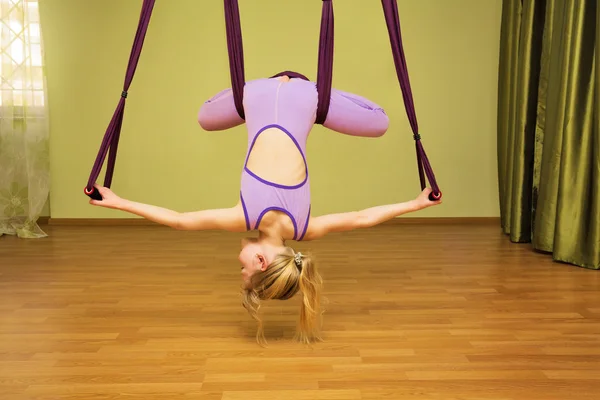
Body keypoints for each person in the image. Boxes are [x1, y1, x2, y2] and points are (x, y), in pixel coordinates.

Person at [89, 73, 442, 345]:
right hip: (254, 93)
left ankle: (313, 92)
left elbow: (363, 218)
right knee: (204, 117)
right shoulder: (241, 215)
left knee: (380, 121)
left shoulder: (306, 228)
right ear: (261, 262)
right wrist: (118, 202)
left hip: (306, 96)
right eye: (243, 272)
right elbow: (179, 221)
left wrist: (416, 203)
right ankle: (291, 90)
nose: (238, 266)